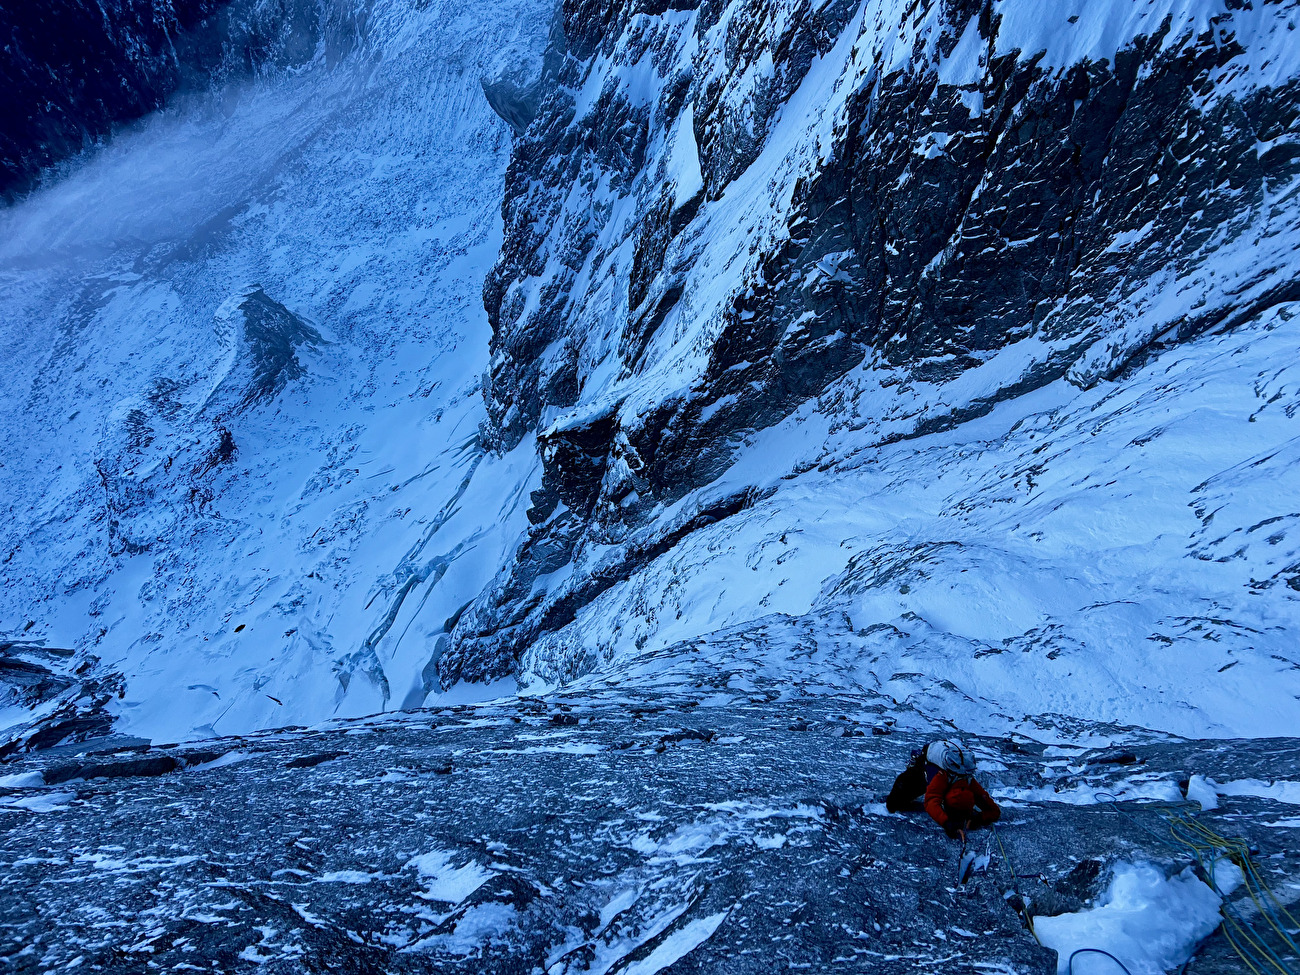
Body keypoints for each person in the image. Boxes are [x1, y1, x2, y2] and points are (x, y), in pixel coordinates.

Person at [885, 739, 1001, 840]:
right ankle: (917, 758)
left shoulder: (969, 781)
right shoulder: (941, 777)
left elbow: (994, 811)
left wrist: (979, 819)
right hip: (922, 773)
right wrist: (946, 823)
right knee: (893, 804)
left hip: (944, 762)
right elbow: (930, 802)